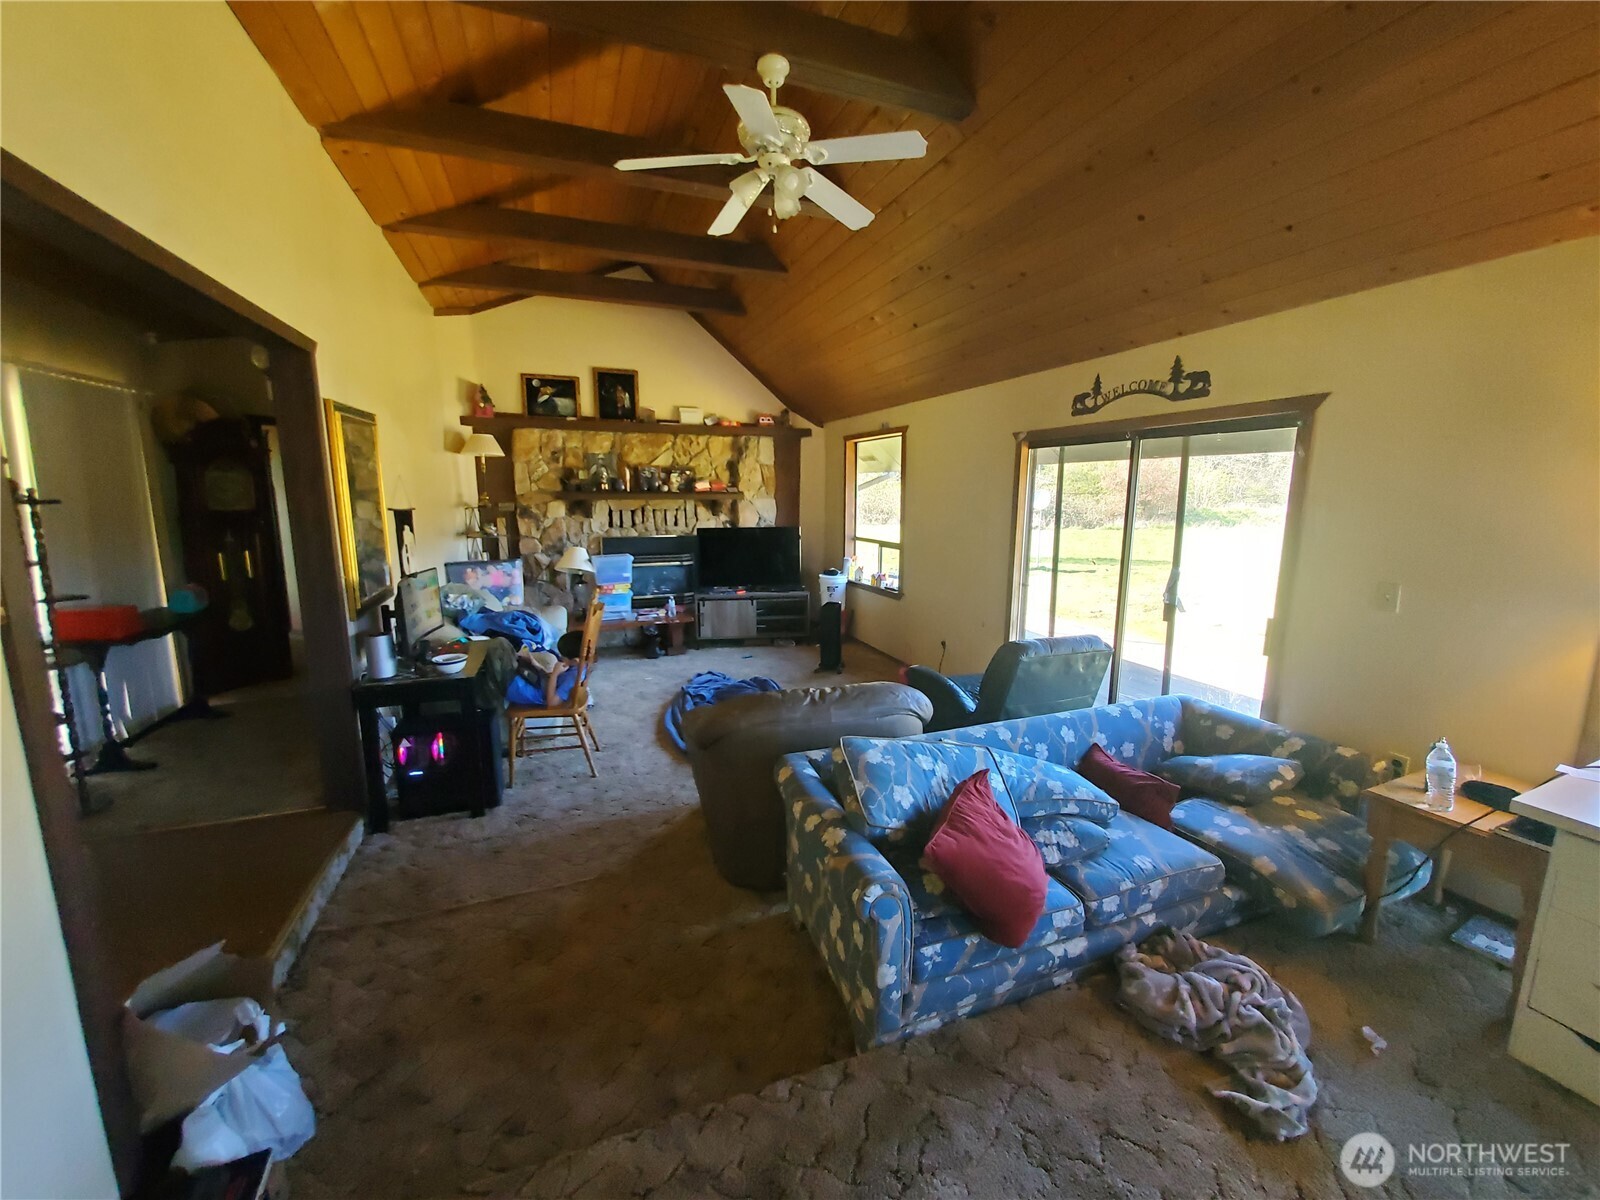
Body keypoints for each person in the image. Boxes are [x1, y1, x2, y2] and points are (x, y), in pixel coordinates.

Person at [511, 629, 585, 706]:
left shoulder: (571, 679)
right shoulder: (580, 666)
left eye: (563, 656)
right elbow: (550, 679)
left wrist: (555, 674)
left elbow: (551, 703)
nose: (560, 657)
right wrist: (535, 664)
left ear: (575, 661)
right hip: (542, 682)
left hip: (540, 694)